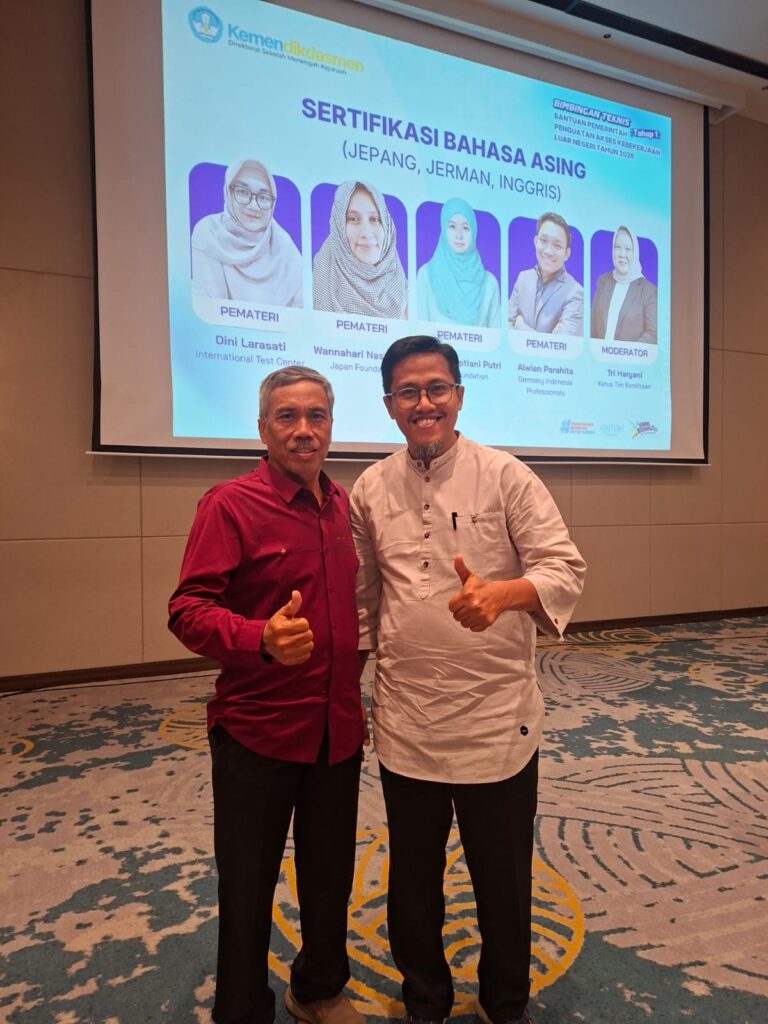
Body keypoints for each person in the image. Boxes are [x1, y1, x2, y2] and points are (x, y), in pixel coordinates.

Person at [350, 336, 586, 1024]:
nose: (423, 403)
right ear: (390, 405)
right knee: (412, 877)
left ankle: (505, 1003)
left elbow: (563, 568)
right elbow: (364, 601)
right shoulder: (369, 488)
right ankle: (424, 999)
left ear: (458, 395)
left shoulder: (506, 476)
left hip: (495, 718)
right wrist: (348, 687)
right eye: (408, 392)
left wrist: (505, 595)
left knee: (503, 878)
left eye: (436, 388)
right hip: (407, 716)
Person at [168, 366, 364, 1024]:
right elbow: (187, 609)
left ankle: (319, 989)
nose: (304, 430)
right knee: (249, 887)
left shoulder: (343, 505)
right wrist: (259, 638)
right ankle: (242, 1009)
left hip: (337, 729)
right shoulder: (229, 505)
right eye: (287, 416)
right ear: (262, 429)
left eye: (317, 416)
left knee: (331, 876)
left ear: (331, 427)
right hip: (257, 732)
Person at [191, 158, 303, 307]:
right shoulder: (209, 232)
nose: (254, 206)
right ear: (228, 192)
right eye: (242, 192)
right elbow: (210, 308)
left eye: (263, 197)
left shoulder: (284, 246)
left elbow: (301, 308)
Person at [312, 180, 407, 319]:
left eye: (374, 219)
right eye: (353, 219)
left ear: (387, 225)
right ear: (339, 225)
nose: (366, 233)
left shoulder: (403, 291)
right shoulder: (320, 275)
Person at [416, 198, 500, 327]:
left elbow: (496, 335)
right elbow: (420, 331)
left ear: (474, 231)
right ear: (444, 229)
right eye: (452, 227)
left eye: (465, 228)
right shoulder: (426, 274)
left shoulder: (489, 282)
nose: (459, 235)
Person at [508, 212, 583, 335]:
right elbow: (505, 326)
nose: (548, 251)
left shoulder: (575, 292)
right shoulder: (523, 278)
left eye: (557, 245)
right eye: (543, 241)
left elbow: (563, 344)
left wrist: (519, 325)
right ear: (535, 241)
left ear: (567, 254)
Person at [591, 225, 658, 343]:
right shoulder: (603, 281)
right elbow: (592, 325)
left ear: (635, 253)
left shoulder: (649, 291)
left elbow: (652, 334)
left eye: (628, 249)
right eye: (617, 247)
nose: (622, 254)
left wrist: (626, 352)